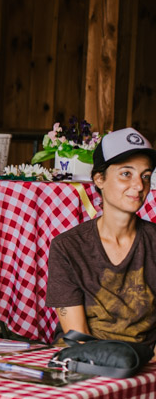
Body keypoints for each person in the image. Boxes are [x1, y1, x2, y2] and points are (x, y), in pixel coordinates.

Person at [48, 127, 156, 348]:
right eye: (126, 174)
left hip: (148, 360)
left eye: (145, 176)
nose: (139, 186)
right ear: (99, 179)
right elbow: (77, 336)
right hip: (85, 356)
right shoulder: (67, 247)